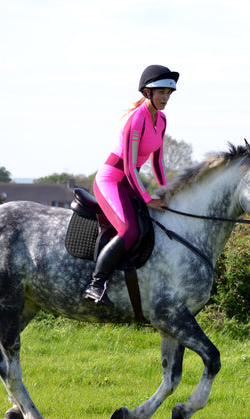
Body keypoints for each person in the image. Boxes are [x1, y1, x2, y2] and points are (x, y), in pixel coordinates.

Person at [83, 64, 179, 307]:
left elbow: (158, 159)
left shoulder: (162, 119)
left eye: (169, 93)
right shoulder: (135, 120)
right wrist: (148, 199)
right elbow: (127, 168)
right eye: (161, 93)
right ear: (147, 93)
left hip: (129, 180)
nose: (166, 98)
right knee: (130, 231)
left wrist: (167, 191)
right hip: (111, 179)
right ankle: (96, 284)